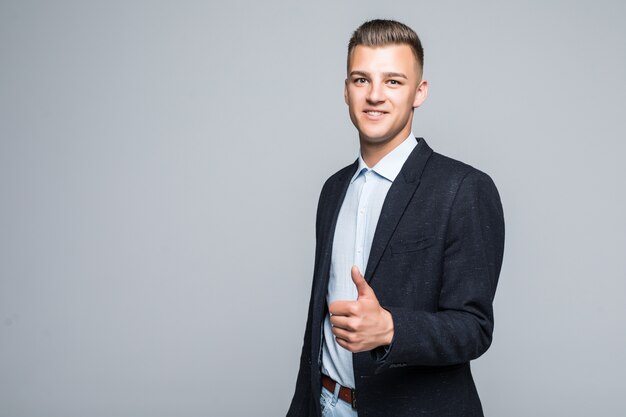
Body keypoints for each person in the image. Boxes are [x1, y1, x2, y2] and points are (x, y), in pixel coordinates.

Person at [287, 19, 505, 417]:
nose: (374, 96)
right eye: (361, 80)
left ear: (419, 92)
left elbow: (474, 328)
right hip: (325, 405)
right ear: (346, 90)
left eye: (393, 81)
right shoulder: (333, 190)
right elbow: (317, 328)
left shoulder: (463, 189)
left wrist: (390, 328)